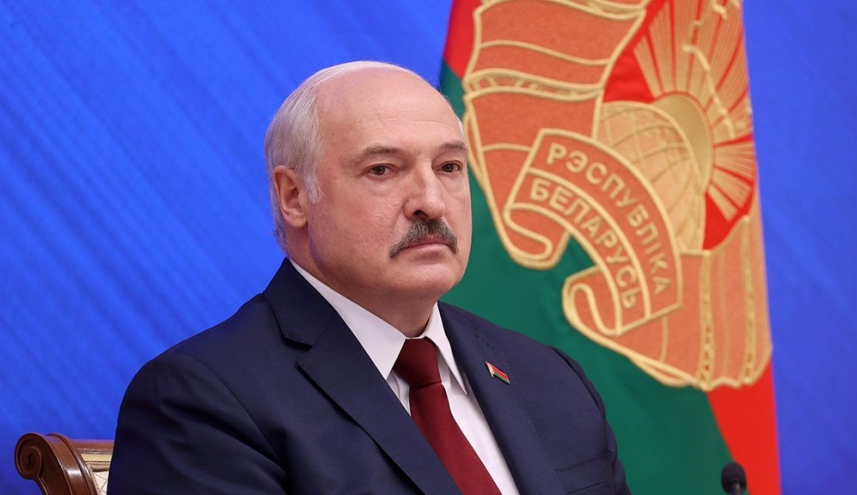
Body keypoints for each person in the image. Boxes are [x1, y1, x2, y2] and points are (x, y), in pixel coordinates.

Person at [108, 61, 630, 495]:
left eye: (449, 167)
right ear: (294, 197)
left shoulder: (551, 378)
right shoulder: (203, 401)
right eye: (383, 169)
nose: (431, 201)